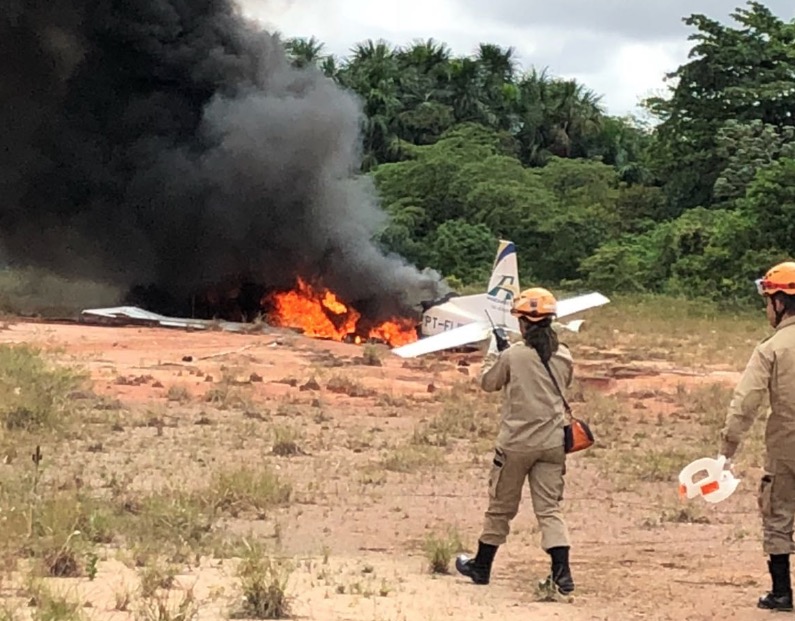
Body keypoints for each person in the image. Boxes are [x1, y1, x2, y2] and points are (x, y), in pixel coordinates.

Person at [455, 287, 575, 596]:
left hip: (515, 445)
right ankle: (562, 573)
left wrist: (495, 350)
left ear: (523, 323)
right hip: (552, 443)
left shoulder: (512, 355)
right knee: (549, 510)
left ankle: (481, 567)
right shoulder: (564, 355)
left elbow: (488, 382)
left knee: (500, 507)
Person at [718, 261, 795, 611]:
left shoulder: (772, 347)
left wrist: (728, 447)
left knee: (778, 513)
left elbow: (745, 402)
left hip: (787, 446)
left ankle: (781, 593)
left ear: (780, 302)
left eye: (768, 300)